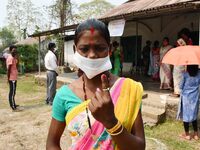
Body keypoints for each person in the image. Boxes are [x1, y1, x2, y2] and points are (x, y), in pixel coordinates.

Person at [46, 19, 145, 149]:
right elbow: (51, 143)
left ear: (109, 49)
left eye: (99, 48)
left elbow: (139, 147)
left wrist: (111, 122)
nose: (92, 55)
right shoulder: (64, 95)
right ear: (75, 49)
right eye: (84, 49)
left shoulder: (130, 89)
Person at [177, 65, 200, 140]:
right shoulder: (199, 73)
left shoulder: (185, 74)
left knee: (186, 117)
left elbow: (180, 86)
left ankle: (187, 135)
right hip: (195, 97)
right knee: (194, 116)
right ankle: (196, 134)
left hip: (186, 98)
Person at [171, 28, 193, 97]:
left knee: (182, 75)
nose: (183, 37)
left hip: (185, 60)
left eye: (184, 35)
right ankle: (177, 91)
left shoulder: (189, 41)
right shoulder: (181, 41)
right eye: (182, 35)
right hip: (179, 59)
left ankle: (179, 91)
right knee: (176, 74)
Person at [6, 45, 19, 111]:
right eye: (14, 50)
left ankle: (13, 103)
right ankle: (13, 106)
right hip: (12, 78)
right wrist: (8, 79)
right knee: (12, 92)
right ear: (10, 50)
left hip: (14, 77)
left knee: (14, 92)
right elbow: (8, 69)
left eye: (15, 50)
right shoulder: (10, 58)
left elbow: (16, 65)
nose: (15, 51)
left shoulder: (14, 57)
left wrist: (17, 58)